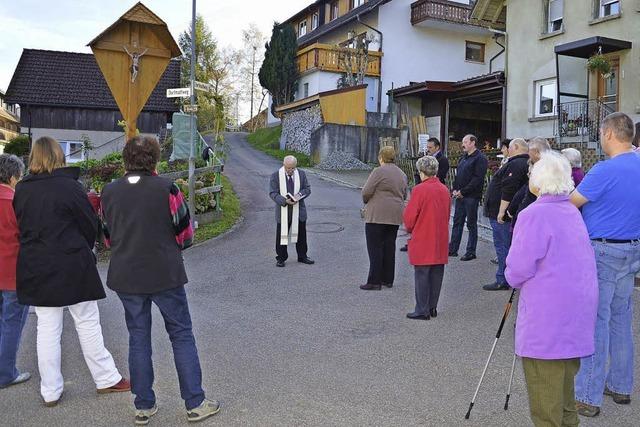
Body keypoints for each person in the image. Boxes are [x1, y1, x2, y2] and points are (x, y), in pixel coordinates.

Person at [101, 136, 219, 425]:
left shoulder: (109, 192)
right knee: (181, 334)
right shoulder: (168, 188)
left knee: (138, 337)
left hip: (126, 275)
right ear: (154, 159)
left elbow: (106, 237)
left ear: (125, 159)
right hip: (165, 273)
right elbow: (185, 234)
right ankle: (195, 402)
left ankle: (144, 405)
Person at [13, 136, 129, 406]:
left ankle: (50, 390)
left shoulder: (22, 190)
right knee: (87, 322)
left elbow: (21, 225)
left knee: (47, 327)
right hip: (71, 263)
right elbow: (89, 224)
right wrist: (85, 246)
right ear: (58, 156)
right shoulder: (70, 187)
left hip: (36, 264)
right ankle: (106, 378)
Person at [505, 151, 598, 427]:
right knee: (566, 400)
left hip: (547, 323)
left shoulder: (534, 214)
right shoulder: (570, 210)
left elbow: (517, 270)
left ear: (539, 180)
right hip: (575, 319)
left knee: (546, 407)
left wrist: (512, 274)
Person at [571, 112, 640, 417]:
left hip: (602, 252)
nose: (600, 138)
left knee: (595, 321)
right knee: (621, 319)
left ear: (610, 134)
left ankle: (587, 395)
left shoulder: (604, 170)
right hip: (631, 250)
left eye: (601, 133)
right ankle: (621, 386)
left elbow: (571, 202)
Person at [403, 156, 450, 320]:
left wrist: (408, 228)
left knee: (422, 274)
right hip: (440, 237)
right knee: (437, 274)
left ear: (422, 172)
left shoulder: (419, 190)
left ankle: (422, 309)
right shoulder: (444, 189)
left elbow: (410, 218)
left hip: (424, 236)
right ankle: (432, 307)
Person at [482, 138, 529, 291]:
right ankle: (507, 276)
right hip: (504, 212)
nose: (506, 150)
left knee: (503, 246)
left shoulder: (516, 164)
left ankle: (503, 279)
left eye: (508, 147)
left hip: (502, 214)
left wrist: (501, 212)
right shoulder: (520, 163)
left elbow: (508, 190)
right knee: (505, 246)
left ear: (515, 147)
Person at [0, 154, 30, 389]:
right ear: (12, 177)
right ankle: (5, 373)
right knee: (12, 322)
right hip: (13, 271)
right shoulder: (16, 201)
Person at [361, 146, 407, 290]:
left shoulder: (378, 171)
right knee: (389, 246)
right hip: (394, 214)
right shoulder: (402, 173)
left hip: (377, 214)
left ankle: (374, 281)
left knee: (375, 247)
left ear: (381, 157)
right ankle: (388, 279)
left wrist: (366, 201)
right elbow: (404, 194)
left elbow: (366, 191)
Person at [401, 137, 449, 253]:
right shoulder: (425, 158)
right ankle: (414, 240)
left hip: (434, 192)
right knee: (419, 217)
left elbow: (441, 175)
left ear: (437, 147)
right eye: (427, 147)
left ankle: (429, 242)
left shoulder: (442, 160)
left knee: (429, 220)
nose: (428, 149)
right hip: (425, 189)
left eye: (430, 147)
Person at [448, 134, 488, 261]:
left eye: (465, 142)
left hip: (471, 196)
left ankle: (471, 251)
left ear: (473, 143)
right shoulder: (463, 158)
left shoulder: (480, 158)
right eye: (463, 141)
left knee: (471, 224)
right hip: (460, 195)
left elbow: (477, 179)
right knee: (457, 222)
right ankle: (453, 249)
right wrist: (454, 189)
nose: (462, 144)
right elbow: (458, 176)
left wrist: (463, 191)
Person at [269, 155, 314, 268]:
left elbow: (307, 189)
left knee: (302, 235)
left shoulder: (302, 174)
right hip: (283, 211)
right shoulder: (275, 176)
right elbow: (273, 193)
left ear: (295, 166)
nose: (290, 170)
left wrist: (298, 196)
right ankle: (281, 258)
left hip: (299, 211)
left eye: (293, 168)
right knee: (281, 236)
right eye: (288, 168)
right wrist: (285, 201)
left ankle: (302, 256)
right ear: (283, 165)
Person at [506, 137, 551, 227]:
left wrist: (517, 213)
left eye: (529, 150)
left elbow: (528, 195)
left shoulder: (544, 169)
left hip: (533, 219)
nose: (528, 152)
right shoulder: (538, 164)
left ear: (537, 152)